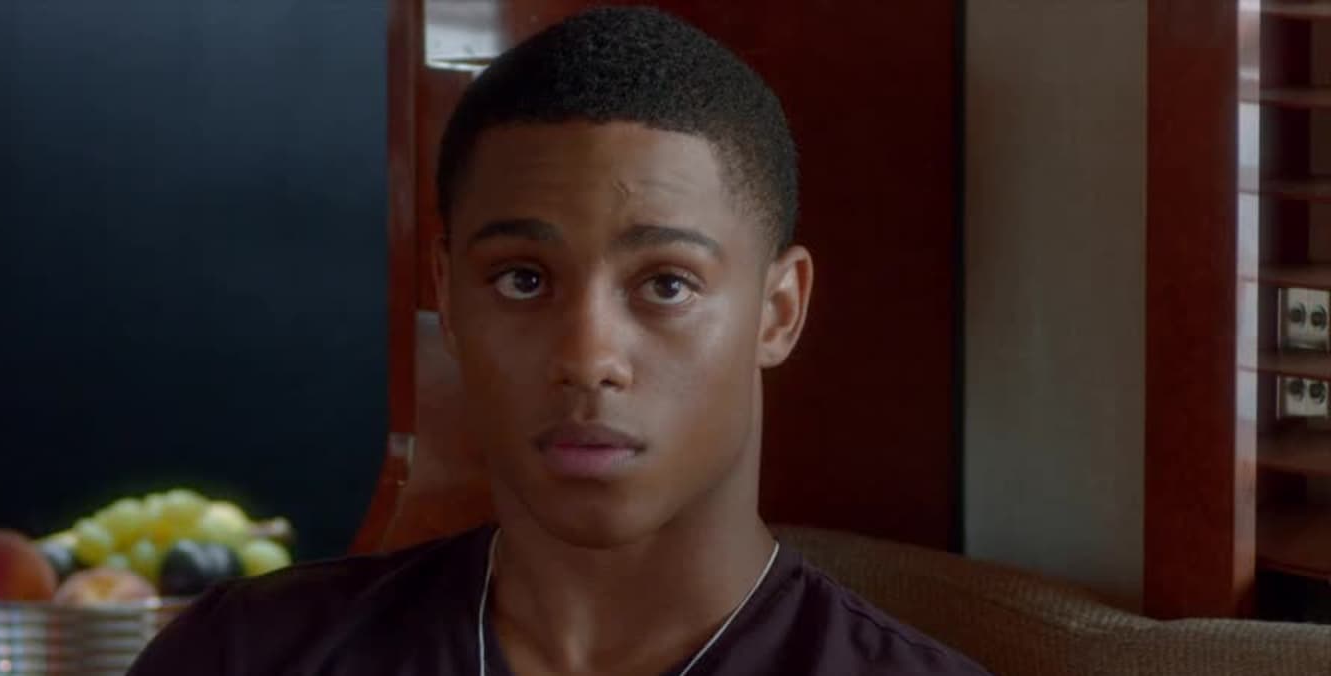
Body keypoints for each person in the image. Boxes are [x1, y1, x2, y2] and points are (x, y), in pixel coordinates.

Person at [128, 7, 990, 675]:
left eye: (666, 284)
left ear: (778, 312)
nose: (586, 359)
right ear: (448, 297)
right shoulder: (244, 655)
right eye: (523, 280)